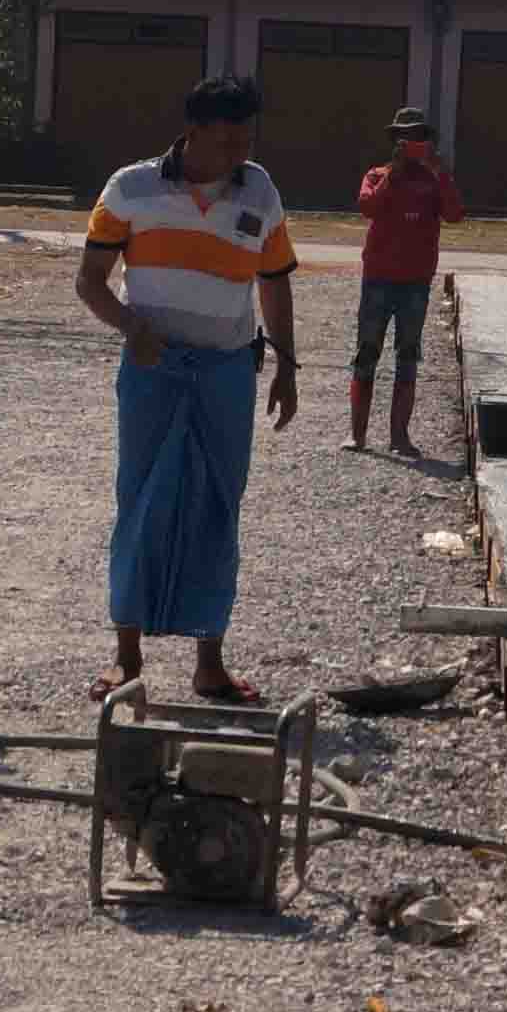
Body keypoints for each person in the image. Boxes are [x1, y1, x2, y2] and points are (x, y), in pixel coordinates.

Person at [76, 75, 303, 702]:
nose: (238, 153)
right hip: (152, 369)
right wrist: (132, 327)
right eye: (227, 141)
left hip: (227, 371)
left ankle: (210, 663)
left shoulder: (259, 190)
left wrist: (287, 363)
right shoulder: (130, 188)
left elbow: (275, 281)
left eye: (246, 140)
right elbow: (90, 280)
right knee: (140, 500)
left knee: (218, 507)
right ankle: (126, 657)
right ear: (192, 131)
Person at [349, 105, 463, 455]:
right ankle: (358, 435)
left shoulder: (434, 178)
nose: (411, 143)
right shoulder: (377, 174)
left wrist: (439, 171)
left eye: (417, 137)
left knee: (408, 356)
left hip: (415, 282)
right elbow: (367, 207)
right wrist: (393, 174)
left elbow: (455, 214)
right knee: (366, 353)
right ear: (395, 142)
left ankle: (399, 437)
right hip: (378, 278)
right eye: (405, 137)